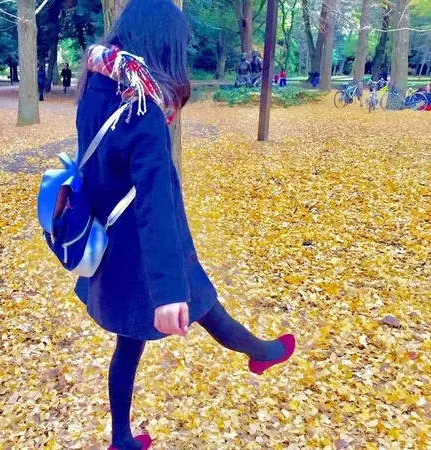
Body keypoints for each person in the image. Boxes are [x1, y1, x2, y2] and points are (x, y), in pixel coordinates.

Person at [75, 1, 296, 449]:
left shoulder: (97, 87)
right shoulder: (142, 111)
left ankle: (122, 438)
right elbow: (155, 204)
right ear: (161, 44)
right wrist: (167, 290)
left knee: (137, 338)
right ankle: (260, 352)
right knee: (196, 302)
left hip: (115, 245)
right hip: (147, 248)